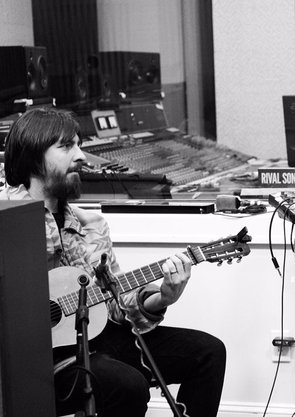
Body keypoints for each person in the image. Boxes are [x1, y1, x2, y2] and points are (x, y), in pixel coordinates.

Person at [0, 107, 226, 417]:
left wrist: (162, 297)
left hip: (98, 341)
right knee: (126, 385)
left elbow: (116, 301)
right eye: (66, 146)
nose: (81, 156)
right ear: (32, 155)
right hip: (39, 362)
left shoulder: (92, 225)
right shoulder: (8, 220)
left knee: (207, 353)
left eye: (79, 144)